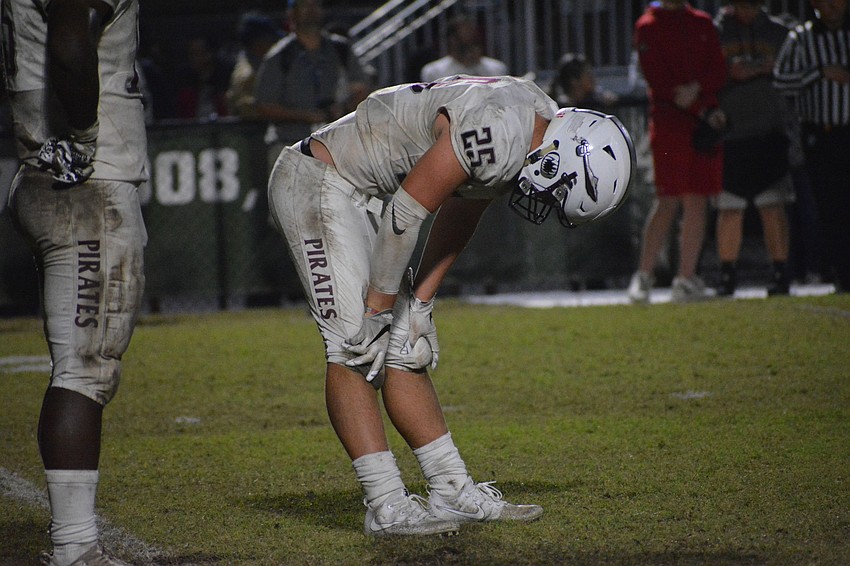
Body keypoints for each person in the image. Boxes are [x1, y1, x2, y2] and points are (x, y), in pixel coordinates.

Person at [267, 75, 635, 536]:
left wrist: (420, 302)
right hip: (320, 180)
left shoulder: (535, 122)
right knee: (354, 345)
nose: (544, 201)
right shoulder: (500, 128)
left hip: (367, 195)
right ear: (556, 159)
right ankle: (385, 505)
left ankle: (451, 490)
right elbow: (407, 211)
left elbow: (464, 203)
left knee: (404, 347)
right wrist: (379, 310)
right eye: (555, 191)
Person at [3, 0, 148, 564]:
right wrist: (85, 136)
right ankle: (75, 546)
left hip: (41, 173)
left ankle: (73, 541)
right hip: (87, 186)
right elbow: (69, 40)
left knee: (76, 368)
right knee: (85, 372)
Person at [627, 0, 728, 304]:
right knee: (668, 199)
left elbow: (718, 69)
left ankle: (685, 279)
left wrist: (697, 91)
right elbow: (656, 78)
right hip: (671, 122)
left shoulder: (702, 22)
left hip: (702, 122)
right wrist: (693, 97)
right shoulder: (647, 25)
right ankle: (644, 276)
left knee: (698, 200)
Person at [713, 0, 795, 297]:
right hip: (731, 133)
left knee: (772, 205)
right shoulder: (716, 33)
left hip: (768, 130)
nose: (746, 10)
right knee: (729, 208)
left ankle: (780, 272)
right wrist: (730, 73)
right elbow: (707, 76)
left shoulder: (778, 33)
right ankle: (727, 275)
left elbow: (792, 76)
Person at [774, 0, 850, 292]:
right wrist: (819, 73)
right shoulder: (801, 37)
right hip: (823, 134)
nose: (832, 7)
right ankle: (841, 273)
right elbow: (780, 80)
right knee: (830, 206)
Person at [253, 0, 371, 169]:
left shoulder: (339, 48)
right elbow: (263, 106)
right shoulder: (280, 56)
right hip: (291, 144)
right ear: (292, 13)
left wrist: (343, 108)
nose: (311, 10)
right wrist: (304, 115)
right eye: (305, 6)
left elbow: (362, 88)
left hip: (334, 144)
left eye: (315, 5)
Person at [226, 12, 283, 120]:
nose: (276, 45)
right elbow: (252, 111)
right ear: (259, 44)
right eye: (272, 41)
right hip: (252, 134)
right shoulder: (247, 74)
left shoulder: (261, 63)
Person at [420, 15, 508, 82]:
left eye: (474, 41)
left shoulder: (496, 68)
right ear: (452, 41)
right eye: (465, 44)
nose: (471, 50)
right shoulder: (434, 71)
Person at [174, 34, 234, 120]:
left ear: (209, 54)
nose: (193, 58)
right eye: (191, 54)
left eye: (197, 53)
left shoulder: (225, 77)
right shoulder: (185, 79)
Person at [549, 52, 619, 111]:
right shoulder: (560, 107)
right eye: (588, 74)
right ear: (574, 81)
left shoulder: (596, 99)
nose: (592, 78)